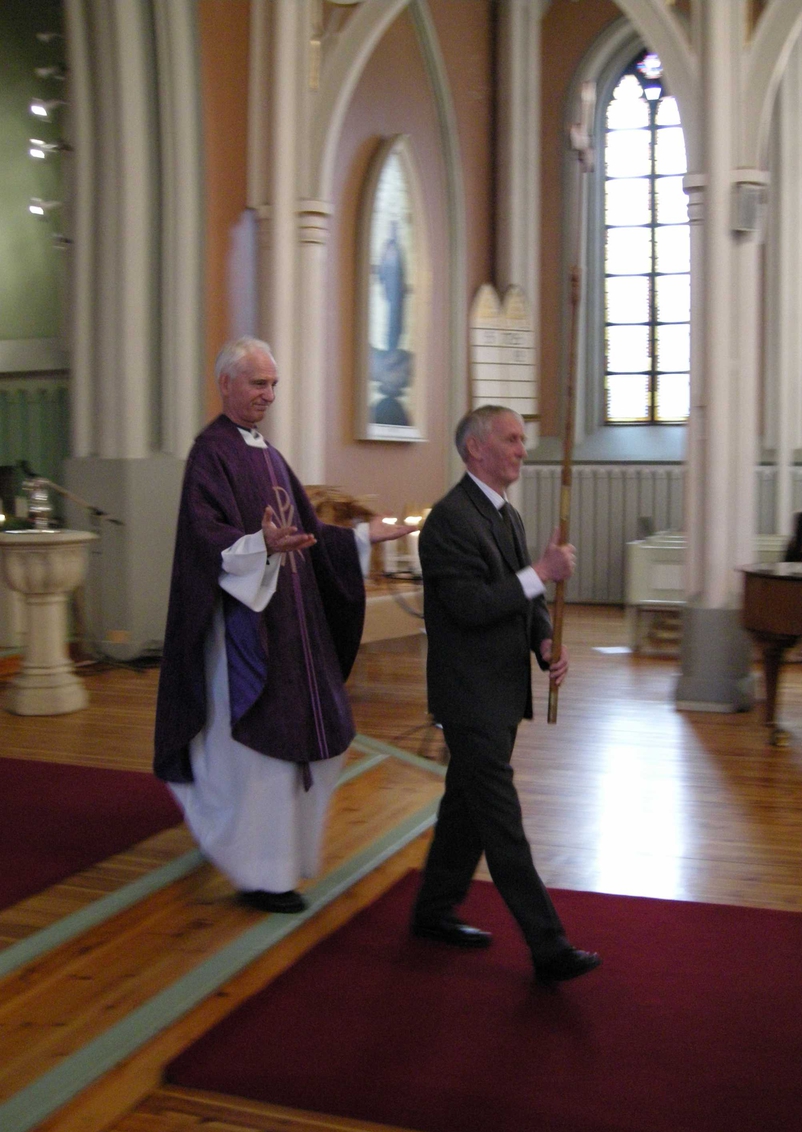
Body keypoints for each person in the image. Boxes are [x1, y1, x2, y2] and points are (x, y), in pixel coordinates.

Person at [153, 337, 405, 913]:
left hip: (292, 632)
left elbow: (310, 532)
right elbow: (203, 538)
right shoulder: (210, 453)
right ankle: (259, 872)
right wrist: (258, 545)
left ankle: (281, 862)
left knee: (314, 745)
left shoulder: (267, 453)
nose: (268, 394)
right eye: (257, 383)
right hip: (245, 637)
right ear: (225, 385)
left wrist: (365, 538)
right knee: (257, 756)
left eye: (273, 384)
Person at [410, 404, 601, 984]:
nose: (522, 449)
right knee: (501, 821)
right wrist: (540, 572)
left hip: (500, 690)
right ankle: (548, 946)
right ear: (475, 450)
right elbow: (469, 606)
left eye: (522, 440)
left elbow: (527, 602)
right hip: (467, 696)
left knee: (465, 808)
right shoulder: (448, 521)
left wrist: (544, 642)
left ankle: (433, 910)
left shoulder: (506, 517)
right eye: (512, 439)